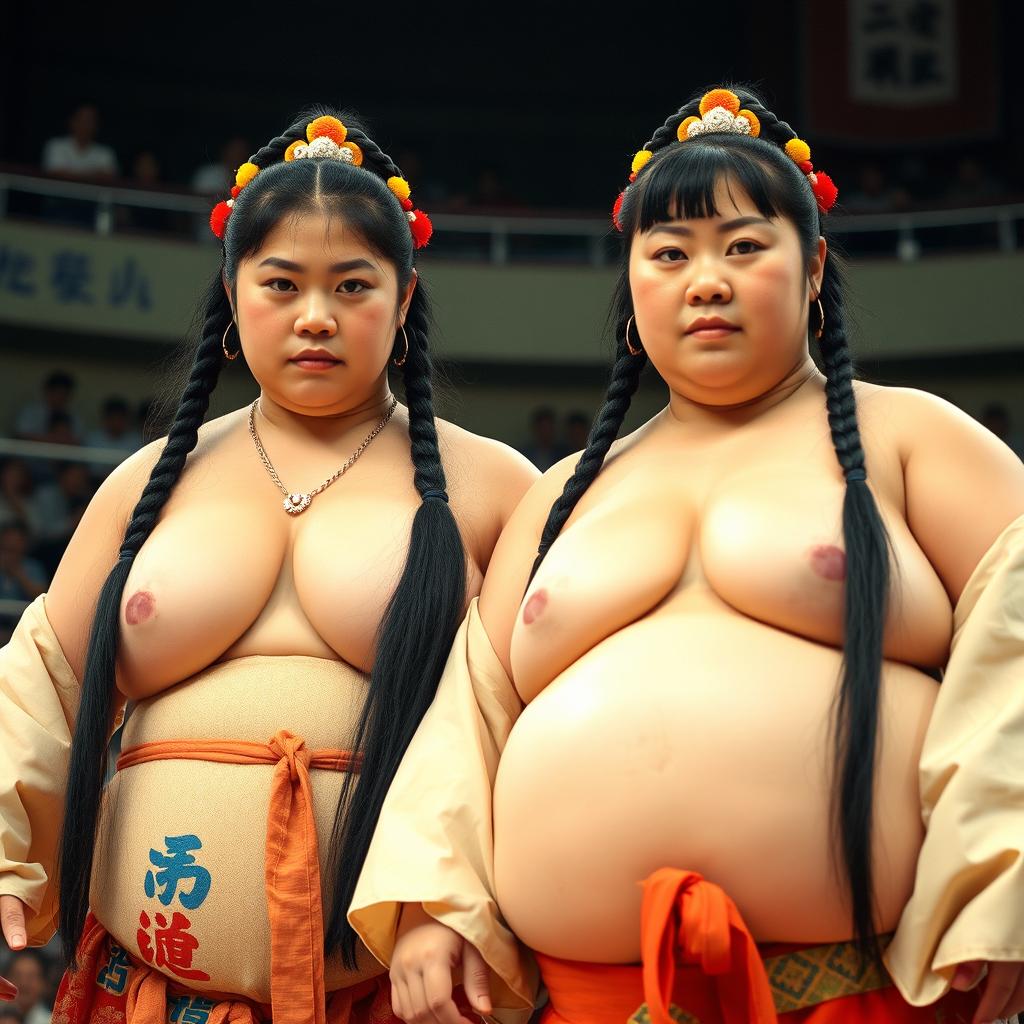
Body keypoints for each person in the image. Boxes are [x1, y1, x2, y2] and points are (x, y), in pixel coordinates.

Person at [349, 86, 1024, 1023]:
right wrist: (431, 904)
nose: (708, 279)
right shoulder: (564, 492)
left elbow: (1015, 667)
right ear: (632, 286)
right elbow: (472, 712)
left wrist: (1003, 881)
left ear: (815, 264)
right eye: (670, 254)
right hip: (585, 990)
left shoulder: (917, 441)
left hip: (857, 987)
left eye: (745, 247)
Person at [0, 106, 537, 1024]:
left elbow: (528, 721)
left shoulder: (491, 488)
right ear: (232, 293)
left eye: (353, 286)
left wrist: (456, 900)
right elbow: (43, 675)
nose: (315, 317)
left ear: (404, 302)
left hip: (398, 987)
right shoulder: (148, 483)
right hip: (153, 985)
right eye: (281, 284)